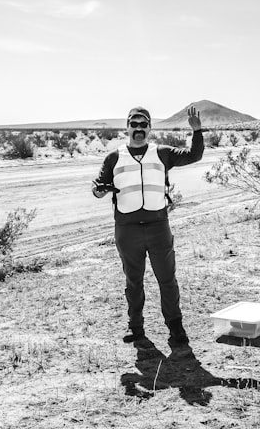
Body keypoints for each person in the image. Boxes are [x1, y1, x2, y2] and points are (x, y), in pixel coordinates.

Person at [92, 105, 204, 346]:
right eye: (134, 124)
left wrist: (197, 132)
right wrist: (100, 191)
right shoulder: (113, 157)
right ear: (127, 128)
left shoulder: (162, 153)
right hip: (127, 228)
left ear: (150, 128)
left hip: (157, 227)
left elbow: (194, 156)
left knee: (167, 279)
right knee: (133, 281)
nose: (139, 129)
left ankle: (176, 329)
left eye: (144, 125)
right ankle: (136, 327)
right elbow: (98, 187)